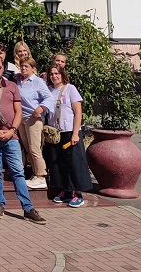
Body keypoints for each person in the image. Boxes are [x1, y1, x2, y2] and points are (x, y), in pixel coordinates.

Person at [0, 58, 46, 224]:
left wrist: (12, 130)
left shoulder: (12, 86)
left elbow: (18, 111)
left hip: (11, 136)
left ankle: (28, 208)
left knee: (18, 172)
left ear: (2, 69)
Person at [43, 64, 92, 208]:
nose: (54, 76)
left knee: (74, 162)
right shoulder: (49, 90)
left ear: (62, 74)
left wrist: (75, 133)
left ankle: (78, 194)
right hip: (54, 133)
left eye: (57, 73)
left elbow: (78, 112)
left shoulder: (71, 89)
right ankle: (66, 190)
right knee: (58, 163)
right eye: (51, 74)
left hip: (69, 131)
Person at [16, 57, 55, 190]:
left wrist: (41, 108)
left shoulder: (38, 82)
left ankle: (41, 176)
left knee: (35, 148)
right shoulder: (19, 81)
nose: (24, 68)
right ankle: (35, 173)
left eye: (27, 66)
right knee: (28, 149)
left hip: (33, 119)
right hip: (21, 118)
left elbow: (49, 97)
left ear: (33, 68)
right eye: (22, 66)